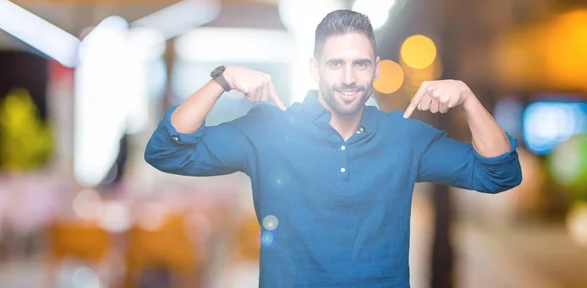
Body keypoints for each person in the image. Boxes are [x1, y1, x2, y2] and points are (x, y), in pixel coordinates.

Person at [144, 9, 522, 288]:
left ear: (375, 68)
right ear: (314, 68)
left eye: (360, 64)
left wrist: (468, 99)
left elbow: (499, 173)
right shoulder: (269, 130)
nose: (347, 78)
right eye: (335, 64)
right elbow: (166, 151)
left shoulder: (404, 137)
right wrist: (222, 80)